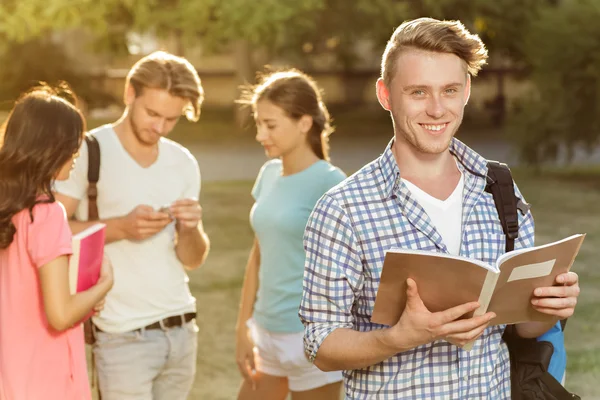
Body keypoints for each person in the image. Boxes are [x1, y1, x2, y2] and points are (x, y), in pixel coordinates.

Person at [299, 18, 580, 399]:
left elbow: (522, 327)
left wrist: (549, 307)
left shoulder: (498, 188)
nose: (436, 109)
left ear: (466, 90)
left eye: (449, 90)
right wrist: (399, 338)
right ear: (385, 95)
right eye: (418, 92)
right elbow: (319, 345)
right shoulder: (342, 209)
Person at [54, 51, 210, 400]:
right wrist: (121, 227)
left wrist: (190, 229)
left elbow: (193, 258)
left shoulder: (183, 162)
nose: (159, 127)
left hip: (182, 327)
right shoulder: (87, 151)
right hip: (121, 336)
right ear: (130, 93)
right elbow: (50, 231)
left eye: (171, 119)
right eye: (152, 113)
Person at [235, 69, 346, 400]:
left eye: (270, 125)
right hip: (265, 332)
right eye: (258, 124)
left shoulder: (330, 182)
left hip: (308, 340)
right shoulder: (268, 174)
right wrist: (243, 327)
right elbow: (259, 254)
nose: (260, 134)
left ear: (304, 123)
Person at [0, 85, 113, 400]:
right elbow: (60, 315)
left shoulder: (9, 209)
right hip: (48, 381)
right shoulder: (47, 214)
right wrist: (104, 284)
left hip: (11, 375)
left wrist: (85, 300)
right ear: (50, 147)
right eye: (74, 145)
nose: (78, 154)